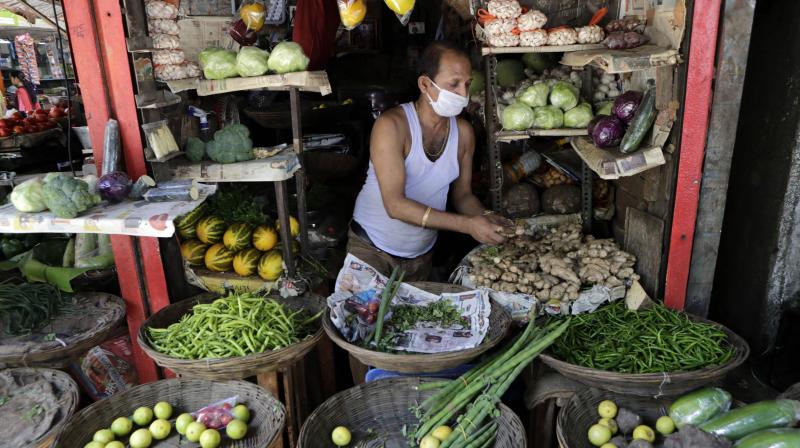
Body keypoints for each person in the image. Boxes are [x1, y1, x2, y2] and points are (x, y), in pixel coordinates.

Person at [348, 41, 510, 282]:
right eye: (453, 84)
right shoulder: (392, 126)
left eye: (467, 84)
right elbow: (395, 205)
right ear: (425, 84)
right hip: (372, 250)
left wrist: (486, 218)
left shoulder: (464, 133)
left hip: (421, 256)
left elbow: (462, 196)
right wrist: (468, 225)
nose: (463, 95)